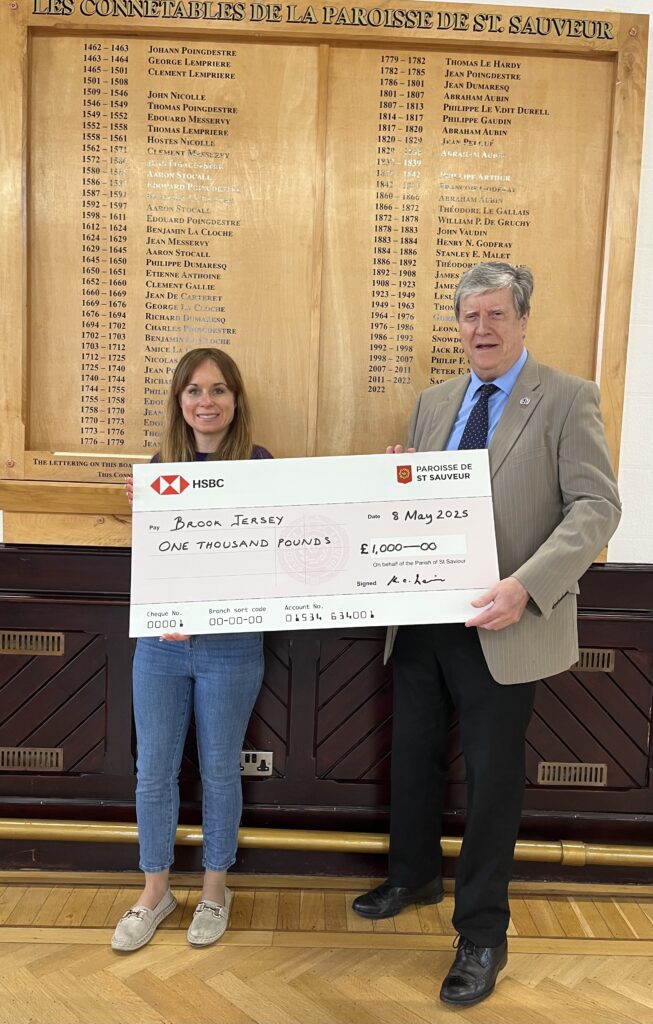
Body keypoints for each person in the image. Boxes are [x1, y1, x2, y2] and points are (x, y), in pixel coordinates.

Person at [353, 262, 621, 1006]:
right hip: (422, 619)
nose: (482, 330)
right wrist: (396, 478)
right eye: (470, 317)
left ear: (523, 320)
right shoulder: (434, 402)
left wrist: (525, 586)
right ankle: (412, 877)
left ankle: (481, 934)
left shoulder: (567, 397)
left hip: (505, 622)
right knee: (412, 758)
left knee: (491, 783)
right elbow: (419, 504)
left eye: (496, 315)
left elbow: (596, 507)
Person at [112, 347, 272, 953]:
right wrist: (142, 512)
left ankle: (214, 889)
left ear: (236, 399)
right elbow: (159, 561)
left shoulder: (260, 466)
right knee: (153, 770)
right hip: (161, 646)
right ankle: (155, 891)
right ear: (180, 402)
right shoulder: (162, 468)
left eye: (219, 389)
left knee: (219, 769)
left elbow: (271, 558)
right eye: (195, 391)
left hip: (231, 644)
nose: (207, 402)